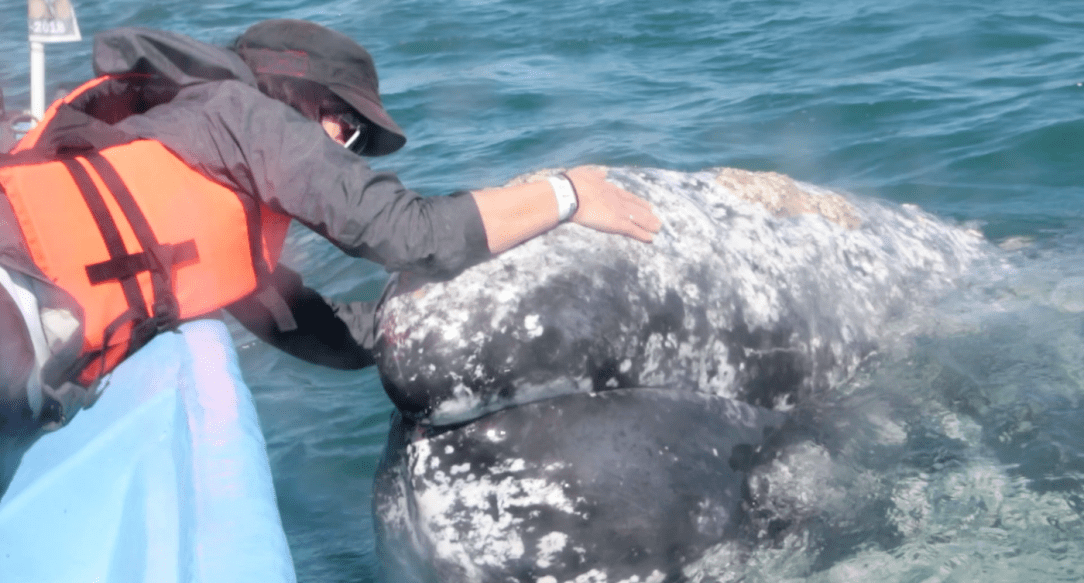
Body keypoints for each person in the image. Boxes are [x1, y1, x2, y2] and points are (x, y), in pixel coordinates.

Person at [0, 20, 660, 495]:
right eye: (346, 128)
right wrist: (566, 195)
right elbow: (409, 232)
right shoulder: (243, 115)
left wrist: (422, 326)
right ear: (299, 95)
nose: (344, 152)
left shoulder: (187, 143)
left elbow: (306, 326)